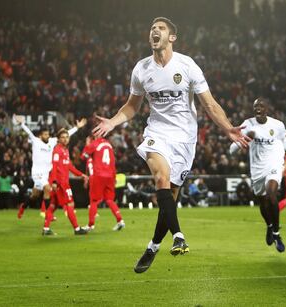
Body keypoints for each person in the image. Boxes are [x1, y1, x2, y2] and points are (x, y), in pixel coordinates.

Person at [93, 17, 249, 273]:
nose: (155, 31)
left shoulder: (187, 66)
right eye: (152, 28)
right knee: (161, 178)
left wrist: (228, 128)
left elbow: (209, 103)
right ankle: (179, 235)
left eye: (161, 28)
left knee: (170, 200)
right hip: (157, 133)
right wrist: (113, 121)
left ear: (172, 37)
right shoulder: (141, 69)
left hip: (185, 138)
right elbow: (132, 106)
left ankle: (153, 245)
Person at [230, 98, 286, 253]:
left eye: (261, 106)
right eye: (255, 106)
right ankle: (269, 226)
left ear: (267, 109)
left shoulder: (277, 125)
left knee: (271, 195)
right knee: (262, 202)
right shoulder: (247, 124)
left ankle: (276, 233)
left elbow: (284, 141)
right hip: (257, 168)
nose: (258, 108)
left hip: (274, 164)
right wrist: (246, 137)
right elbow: (231, 150)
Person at [14, 115, 86, 219]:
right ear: (40, 136)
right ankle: (49, 215)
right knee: (48, 189)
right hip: (37, 173)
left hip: (47, 173)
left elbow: (66, 135)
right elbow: (28, 132)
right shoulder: (35, 141)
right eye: (45, 135)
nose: (47, 136)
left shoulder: (52, 141)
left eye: (48, 134)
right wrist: (22, 124)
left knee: (34, 195)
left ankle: (23, 207)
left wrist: (77, 127)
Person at [42, 129, 88, 235]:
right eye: (63, 137)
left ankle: (45, 229)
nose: (65, 139)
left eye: (67, 137)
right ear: (58, 139)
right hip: (60, 183)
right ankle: (76, 229)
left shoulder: (65, 150)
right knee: (70, 204)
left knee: (53, 205)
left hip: (60, 182)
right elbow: (54, 166)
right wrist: (53, 181)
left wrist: (81, 175)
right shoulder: (57, 151)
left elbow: (70, 167)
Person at [81, 136, 125, 231]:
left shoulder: (95, 143)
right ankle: (120, 220)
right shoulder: (109, 145)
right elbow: (113, 162)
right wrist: (114, 176)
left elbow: (83, 156)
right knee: (110, 200)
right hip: (110, 175)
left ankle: (90, 225)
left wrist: (87, 145)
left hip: (99, 175)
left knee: (93, 201)